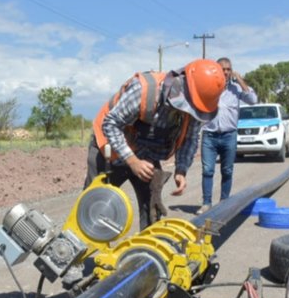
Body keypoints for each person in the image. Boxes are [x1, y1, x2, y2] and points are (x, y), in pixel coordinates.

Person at [88, 59, 227, 230]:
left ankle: (145, 254)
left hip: (147, 154)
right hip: (109, 149)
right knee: (93, 207)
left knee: (152, 209)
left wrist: (181, 169)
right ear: (183, 86)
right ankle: (73, 251)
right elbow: (111, 124)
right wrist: (132, 161)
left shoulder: (196, 108)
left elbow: (190, 138)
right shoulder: (144, 90)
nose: (189, 112)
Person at [196, 57, 257, 214]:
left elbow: (253, 100)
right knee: (208, 170)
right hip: (209, 135)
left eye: (228, 69)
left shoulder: (236, 89)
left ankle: (224, 201)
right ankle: (206, 203)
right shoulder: (207, 86)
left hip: (229, 135)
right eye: (223, 69)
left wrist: (241, 81)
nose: (226, 72)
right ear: (216, 70)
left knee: (227, 170)